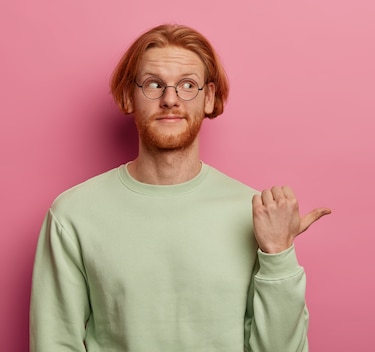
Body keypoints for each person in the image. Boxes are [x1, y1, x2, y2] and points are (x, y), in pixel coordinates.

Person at [29, 24, 331, 352]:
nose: (170, 99)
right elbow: (54, 343)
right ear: (129, 96)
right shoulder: (73, 215)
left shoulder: (255, 213)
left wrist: (279, 253)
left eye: (187, 85)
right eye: (154, 84)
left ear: (209, 98)